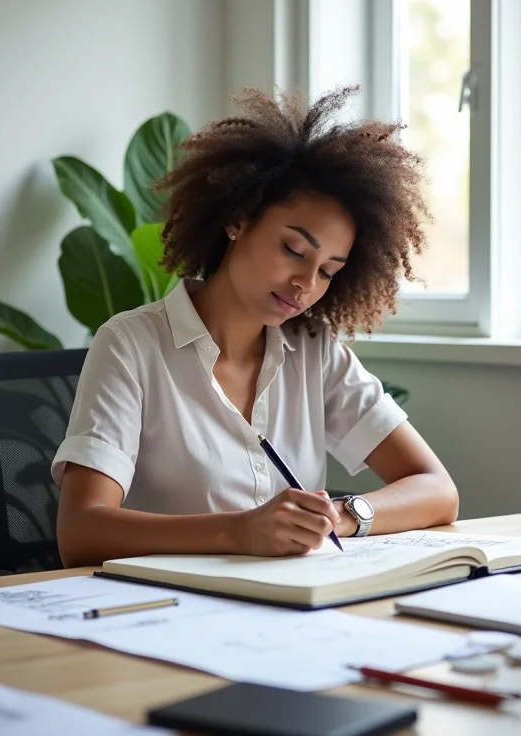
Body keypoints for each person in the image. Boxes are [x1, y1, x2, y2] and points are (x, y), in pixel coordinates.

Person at [53, 85, 459, 567]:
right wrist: (237, 531)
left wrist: (343, 515)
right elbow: (80, 531)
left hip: (287, 612)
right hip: (168, 612)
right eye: (294, 249)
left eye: (329, 270)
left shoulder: (314, 350)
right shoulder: (131, 345)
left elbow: (438, 490)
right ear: (237, 221)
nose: (307, 283)